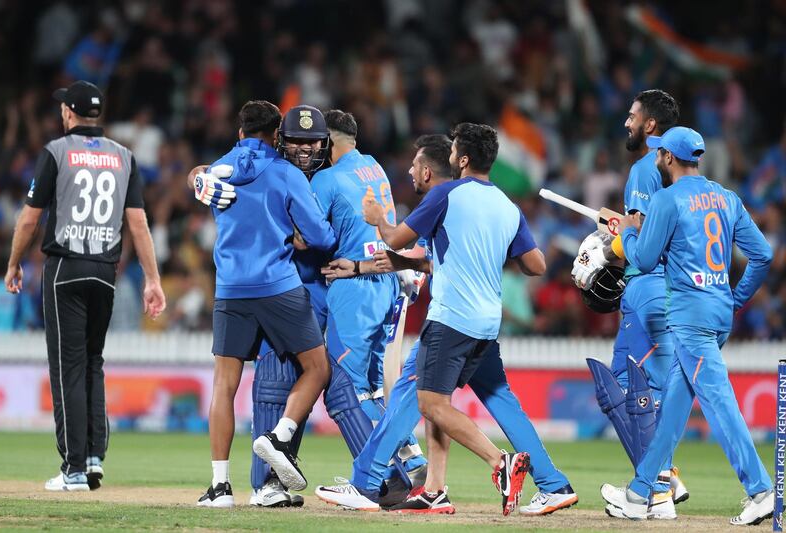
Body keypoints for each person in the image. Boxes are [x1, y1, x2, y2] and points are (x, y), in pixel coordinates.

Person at [315, 134, 577, 516]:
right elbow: (535, 266)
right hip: (486, 324)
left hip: (451, 320)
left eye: (454, 150)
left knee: (418, 396)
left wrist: (377, 219)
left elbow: (394, 239)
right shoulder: (505, 204)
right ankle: (548, 484)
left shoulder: (447, 195)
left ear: (464, 158)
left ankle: (367, 484)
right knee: (500, 399)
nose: (450, 156)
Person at [600, 126, 774, 526]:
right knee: (676, 407)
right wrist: (735, 297)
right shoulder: (727, 197)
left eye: (660, 153)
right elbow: (762, 255)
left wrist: (626, 229)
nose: (657, 157)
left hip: (689, 319)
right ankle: (641, 491)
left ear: (669, 159)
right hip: (717, 313)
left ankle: (761, 490)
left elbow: (642, 260)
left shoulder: (666, 199)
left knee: (719, 402)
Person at [3, 80, 166, 491]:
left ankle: (73, 469)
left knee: (68, 368)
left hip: (65, 270)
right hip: (105, 272)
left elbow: (28, 219)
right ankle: (94, 458)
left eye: (62, 107)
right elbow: (139, 224)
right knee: (93, 362)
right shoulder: (124, 157)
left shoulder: (57, 152)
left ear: (69, 114)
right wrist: (152, 278)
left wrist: (13, 263)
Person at [195, 100, 336, 507]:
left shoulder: (217, 169)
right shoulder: (287, 173)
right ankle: (280, 435)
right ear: (276, 135)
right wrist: (299, 235)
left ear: (239, 132)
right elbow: (322, 239)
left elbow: (201, 177)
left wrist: (196, 176)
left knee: (224, 385)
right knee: (317, 367)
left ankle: (220, 487)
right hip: (278, 285)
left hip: (231, 288)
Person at [570, 89, 687, 518]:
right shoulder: (684, 172)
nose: (626, 122)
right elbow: (656, 227)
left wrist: (603, 252)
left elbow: (638, 235)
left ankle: (654, 487)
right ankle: (663, 480)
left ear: (650, 125)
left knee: (622, 389)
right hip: (677, 290)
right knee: (652, 391)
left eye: (632, 116)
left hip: (647, 287)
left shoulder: (644, 167)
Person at [310, 110, 426, 474]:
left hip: (354, 286)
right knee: (373, 388)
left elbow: (309, 234)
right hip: (385, 278)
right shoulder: (374, 166)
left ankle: (377, 474)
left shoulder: (327, 179)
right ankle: (410, 457)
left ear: (328, 142)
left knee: (347, 386)